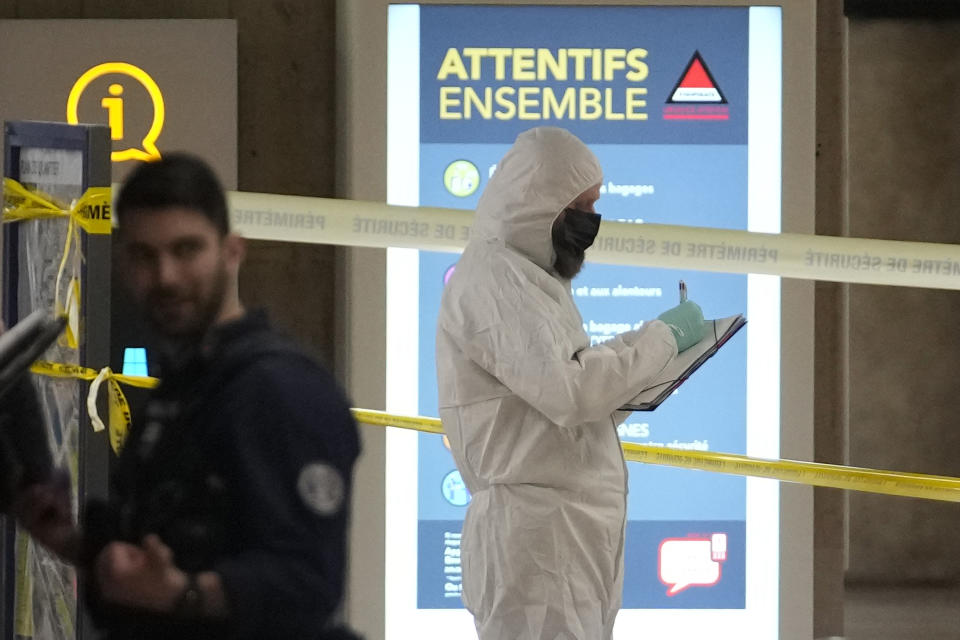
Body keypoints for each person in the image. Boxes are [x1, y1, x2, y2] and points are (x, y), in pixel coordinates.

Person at [15, 154, 361, 640]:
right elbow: (155, 560)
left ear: (232, 251)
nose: (166, 277)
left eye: (186, 250)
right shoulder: (182, 388)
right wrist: (70, 541)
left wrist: (185, 594)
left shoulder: (277, 390)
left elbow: (306, 583)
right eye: (144, 256)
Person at [435, 126, 705, 639]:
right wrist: (662, 341)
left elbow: (566, 394)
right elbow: (572, 392)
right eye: (579, 205)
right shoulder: (495, 278)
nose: (590, 221)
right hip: (539, 541)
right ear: (537, 203)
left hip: (564, 532)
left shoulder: (530, 280)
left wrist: (653, 354)